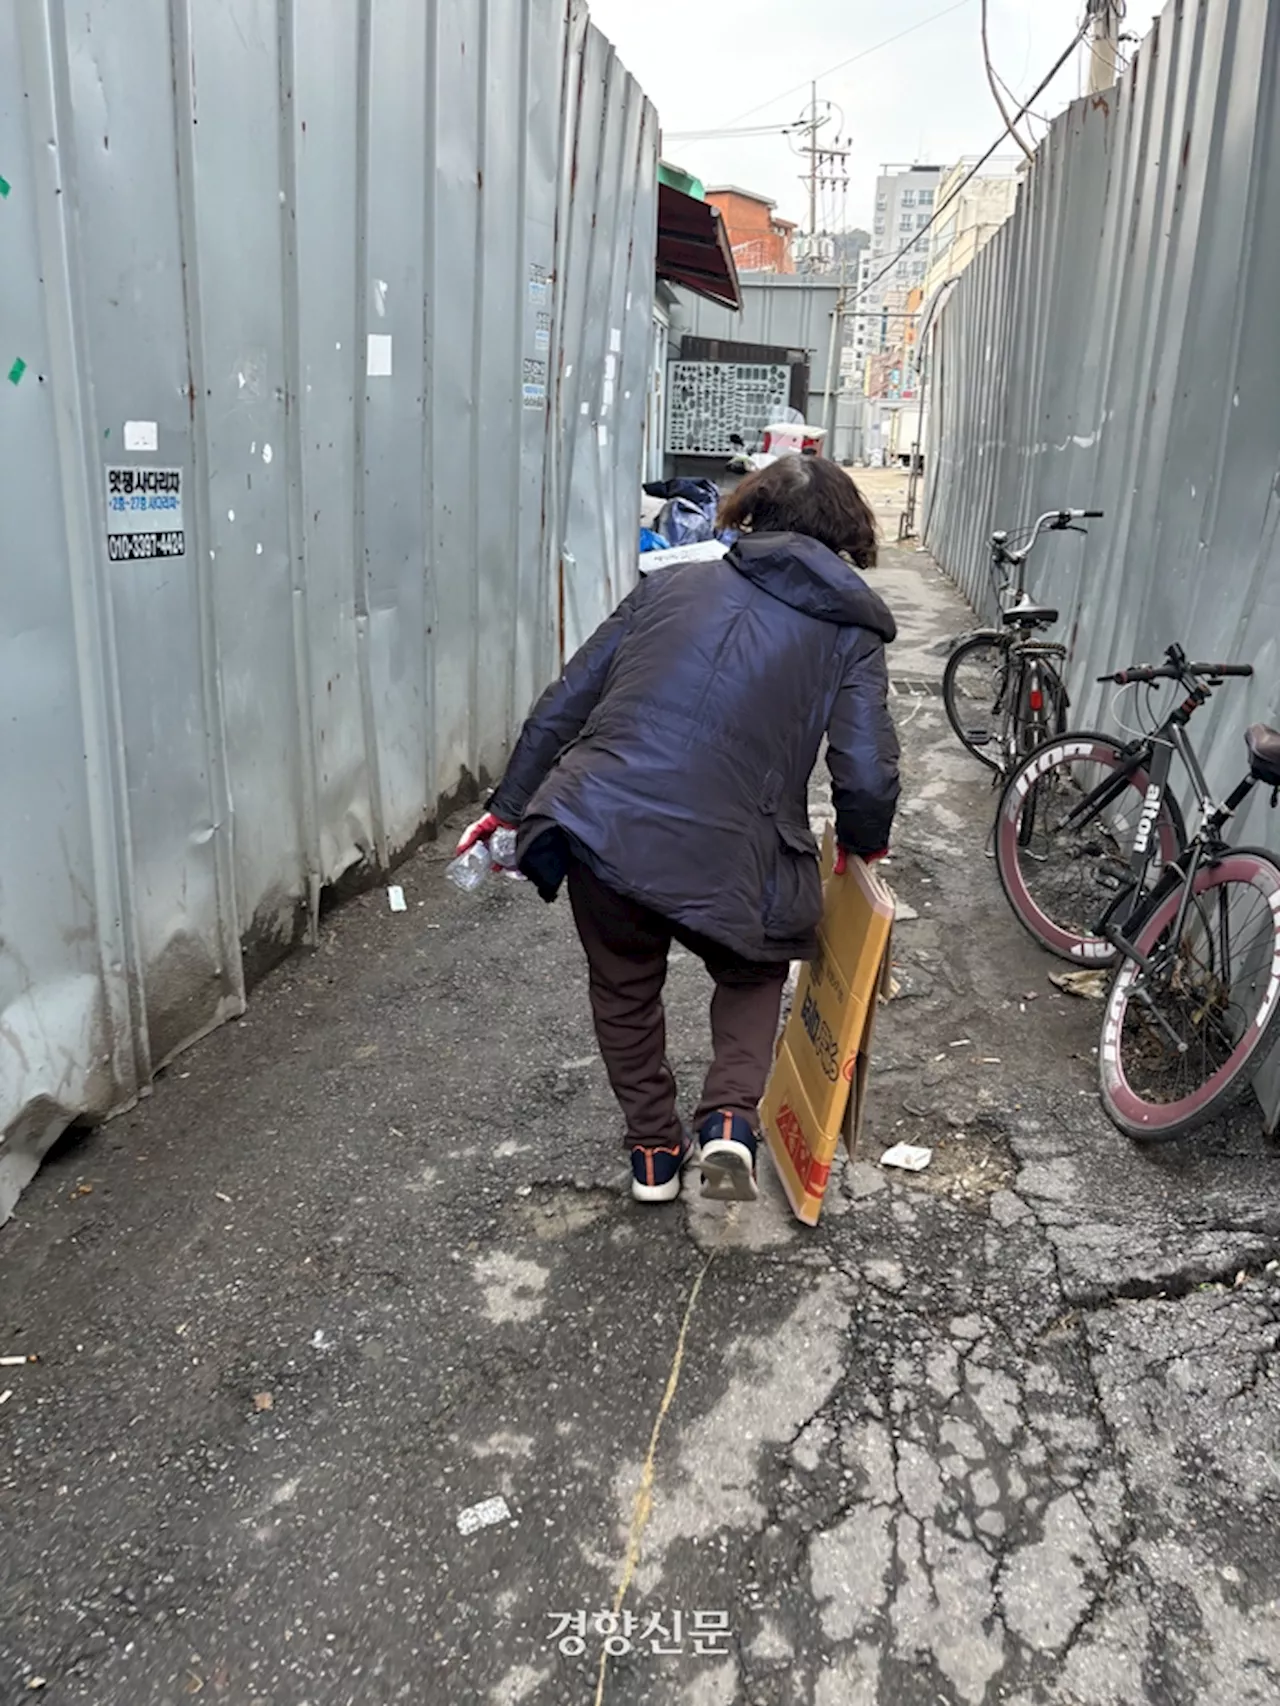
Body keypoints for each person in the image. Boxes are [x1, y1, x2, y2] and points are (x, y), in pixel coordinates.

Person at [457, 456, 900, 1205]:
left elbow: (566, 698)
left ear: (750, 514)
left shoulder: (669, 584)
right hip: (737, 847)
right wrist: (864, 845)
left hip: (601, 820)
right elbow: (865, 768)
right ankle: (729, 1121)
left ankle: (654, 1158)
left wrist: (508, 804)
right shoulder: (848, 635)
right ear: (844, 535)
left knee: (625, 986)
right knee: (754, 965)